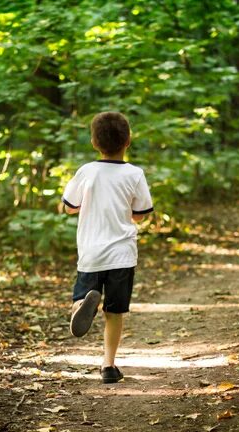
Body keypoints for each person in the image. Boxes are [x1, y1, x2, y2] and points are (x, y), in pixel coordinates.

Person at [61, 112, 154, 384]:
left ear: (94, 142)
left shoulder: (86, 171)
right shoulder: (134, 173)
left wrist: (77, 205)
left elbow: (69, 207)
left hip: (91, 252)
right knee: (115, 312)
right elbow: (140, 213)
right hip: (122, 255)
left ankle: (82, 302)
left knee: (86, 290)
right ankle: (108, 365)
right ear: (128, 140)